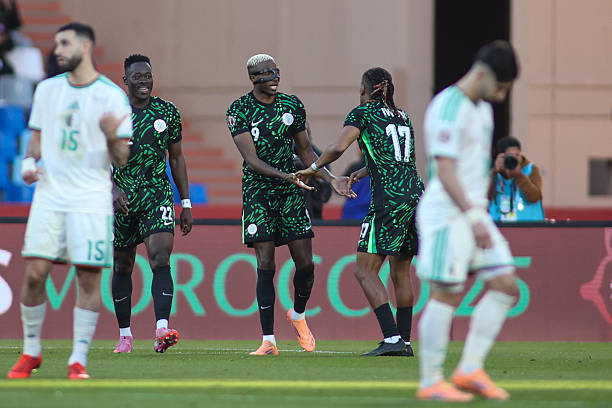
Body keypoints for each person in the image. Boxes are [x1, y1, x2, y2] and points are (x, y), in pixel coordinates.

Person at [7, 22, 131, 379]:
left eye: (65, 43)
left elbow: (122, 158)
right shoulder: (47, 90)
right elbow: (36, 138)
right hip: (50, 194)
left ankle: (78, 359)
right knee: (35, 273)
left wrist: (111, 137)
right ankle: (31, 351)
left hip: (91, 198)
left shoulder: (111, 96)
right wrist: (29, 163)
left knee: (88, 277)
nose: (57, 50)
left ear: (86, 46)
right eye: (56, 43)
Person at [416, 40, 520, 401]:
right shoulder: (448, 106)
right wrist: (474, 216)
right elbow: (444, 171)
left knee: (506, 285)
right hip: (447, 213)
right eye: (501, 87)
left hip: (474, 213)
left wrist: (479, 212)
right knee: (446, 293)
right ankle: (431, 381)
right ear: (484, 74)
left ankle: (469, 369)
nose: (502, 96)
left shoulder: (483, 110)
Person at [226, 53, 351, 355]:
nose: (274, 77)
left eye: (276, 71)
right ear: (253, 78)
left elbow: (306, 150)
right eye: (266, 73)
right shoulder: (239, 110)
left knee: (306, 264)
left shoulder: (292, 105)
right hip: (258, 192)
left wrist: (330, 178)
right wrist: (286, 175)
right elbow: (251, 159)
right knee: (266, 263)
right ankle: (268, 340)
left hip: (291, 192)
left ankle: (297, 314)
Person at [297, 67, 423, 357]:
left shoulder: (362, 113)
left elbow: (337, 147)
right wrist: (364, 171)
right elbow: (404, 158)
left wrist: (313, 168)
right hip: (415, 195)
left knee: (364, 270)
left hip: (388, 198)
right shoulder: (403, 116)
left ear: (365, 90)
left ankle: (391, 338)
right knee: (400, 271)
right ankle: (404, 341)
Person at [111, 54, 193, 354]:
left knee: (160, 257)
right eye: (137, 76)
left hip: (157, 194)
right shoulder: (112, 114)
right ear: (126, 80)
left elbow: (177, 158)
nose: (144, 81)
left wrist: (186, 202)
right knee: (122, 265)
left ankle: (161, 329)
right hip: (123, 199)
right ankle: (125, 335)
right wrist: (111, 189)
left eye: (147, 75)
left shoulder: (167, 112)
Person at [488, 136, 544, 221]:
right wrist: (495, 173)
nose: (514, 159)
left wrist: (519, 175)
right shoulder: (495, 174)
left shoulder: (531, 169)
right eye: (510, 156)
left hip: (529, 224)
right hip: (500, 225)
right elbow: (484, 199)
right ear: (501, 157)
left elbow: (534, 197)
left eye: (517, 155)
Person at [340, 150, 371, 220]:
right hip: (371, 213)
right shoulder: (382, 169)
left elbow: (340, 188)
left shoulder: (354, 168)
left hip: (351, 213)